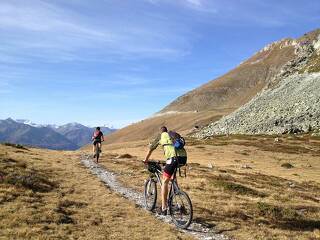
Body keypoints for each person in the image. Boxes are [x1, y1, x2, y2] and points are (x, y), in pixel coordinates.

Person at [144, 126, 187, 215]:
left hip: (173, 158)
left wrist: (146, 160)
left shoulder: (161, 136)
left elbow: (150, 149)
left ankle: (164, 208)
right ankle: (175, 190)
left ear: (161, 131)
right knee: (171, 174)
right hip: (183, 158)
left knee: (164, 182)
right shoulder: (173, 135)